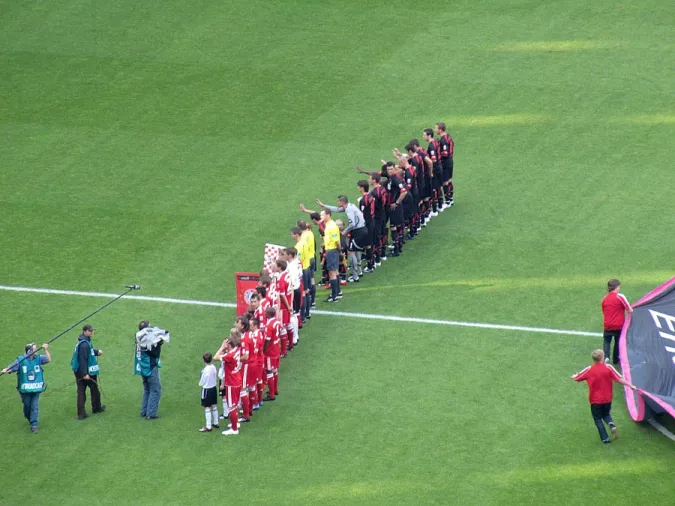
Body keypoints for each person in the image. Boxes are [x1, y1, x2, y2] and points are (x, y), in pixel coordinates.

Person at [572, 349, 636, 443]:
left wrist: (574, 376)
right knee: (606, 414)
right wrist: (630, 386)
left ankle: (605, 439)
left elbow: (577, 378)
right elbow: (619, 379)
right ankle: (611, 425)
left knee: (597, 418)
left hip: (595, 400)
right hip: (607, 398)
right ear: (602, 357)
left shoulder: (590, 369)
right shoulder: (608, 368)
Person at [316, 195, 368, 284]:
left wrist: (344, 232)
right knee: (356, 250)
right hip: (361, 230)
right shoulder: (349, 206)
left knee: (351, 251)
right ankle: (358, 272)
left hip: (359, 231)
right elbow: (336, 209)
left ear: (342, 202)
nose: (337, 203)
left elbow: (352, 224)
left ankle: (355, 276)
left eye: (338, 201)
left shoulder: (349, 209)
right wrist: (323, 205)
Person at [2, 343, 52, 433]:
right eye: (35, 349)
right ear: (30, 351)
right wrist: (7, 369)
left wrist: (46, 350)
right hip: (25, 390)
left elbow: (48, 359)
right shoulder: (21, 360)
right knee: (27, 406)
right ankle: (30, 418)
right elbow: (12, 367)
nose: (37, 350)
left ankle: (34, 425)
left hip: (36, 388)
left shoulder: (39, 358)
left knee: (35, 406)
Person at [70, 324, 105, 420]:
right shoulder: (84, 344)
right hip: (85, 371)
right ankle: (96, 408)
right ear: (85, 331)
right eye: (90, 331)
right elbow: (83, 359)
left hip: (78, 370)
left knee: (81, 391)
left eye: (92, 330)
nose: (92, 332)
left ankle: (81, 414)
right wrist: (85, 374)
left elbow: (89, 351)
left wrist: (97, 352)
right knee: (93, 389)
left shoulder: (83, 341)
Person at [134, 320, 167, 420]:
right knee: (155, 390)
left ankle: (144, 411)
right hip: (150, 367)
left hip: (142, 368)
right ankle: (151, 413)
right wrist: (160, 343)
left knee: (147, 389)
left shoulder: (138, 338)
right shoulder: (147, 342)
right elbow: (154, 354)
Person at [215, 332, 242, 436]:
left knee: (232, 405)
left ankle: (234, 429)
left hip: (232, 382)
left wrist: (222, 348)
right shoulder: (237, 350)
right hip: (237, 379)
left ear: (229, 345)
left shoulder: (230, 355)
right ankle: (236, 423)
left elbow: (216, 357)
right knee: (234, 404)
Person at [601, 279, 632, 365]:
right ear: (616, 287)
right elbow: (629, 309)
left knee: (606, 340)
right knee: (618, 341)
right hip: (618, 325)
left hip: (607, 324)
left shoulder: (605, 298)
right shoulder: (620, 297)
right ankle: (615, 359)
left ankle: (606, 356)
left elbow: (604, 310)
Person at [319, 207, 342, 302]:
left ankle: (334, 296)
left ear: (328, 215)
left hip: (332, 250)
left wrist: (340, 250)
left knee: (332, 273)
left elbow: (337, 241)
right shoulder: (328, 225)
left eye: (322, 214)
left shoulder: (332, 226)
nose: (321, 216)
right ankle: (338, 292)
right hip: (332, 250)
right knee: (335, 271)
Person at [263, 306, 282, 401]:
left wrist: (264, 350)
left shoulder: (269, 325)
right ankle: (275, 389)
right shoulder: (277, 321)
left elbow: (267, 339)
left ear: (269, 314)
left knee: (269, 371)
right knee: (275, 370)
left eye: (266, 312)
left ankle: (271, 394)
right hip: (277, 348)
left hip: (270, 351)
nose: (265, 313)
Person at [435, 121, 455, 208]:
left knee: (445, 182)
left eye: (436, 128)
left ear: (440, 129)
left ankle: (447, 201)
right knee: (449, 180)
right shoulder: (448, 136)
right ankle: (451, 198)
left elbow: (445, 153)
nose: (435, 129)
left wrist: (438, 154)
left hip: (446, 162)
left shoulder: (443, 140)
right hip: (450, 161)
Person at [198, 352, 219, 432]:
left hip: (206, 390)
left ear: (204, 360)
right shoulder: (213, 367)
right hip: (213, 388)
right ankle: (216, 422)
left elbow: (201, 382)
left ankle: (208, 426)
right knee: (214, 405)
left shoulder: (204, 371)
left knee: (207, 407)